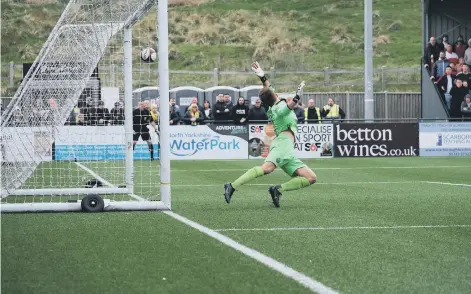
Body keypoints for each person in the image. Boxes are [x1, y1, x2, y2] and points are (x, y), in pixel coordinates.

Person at [223, 62, 317, 208]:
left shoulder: (274, 104)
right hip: (282, 145)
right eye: (273, 91)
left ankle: (277, 190)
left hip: (287, 148)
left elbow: (268, 87)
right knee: (266, 169)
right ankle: (232, 185)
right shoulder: (279, 108)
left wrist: (261, 75)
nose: (275, 91)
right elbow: (289, 106)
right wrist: (297, 96)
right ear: (274, 95)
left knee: (311, 178)